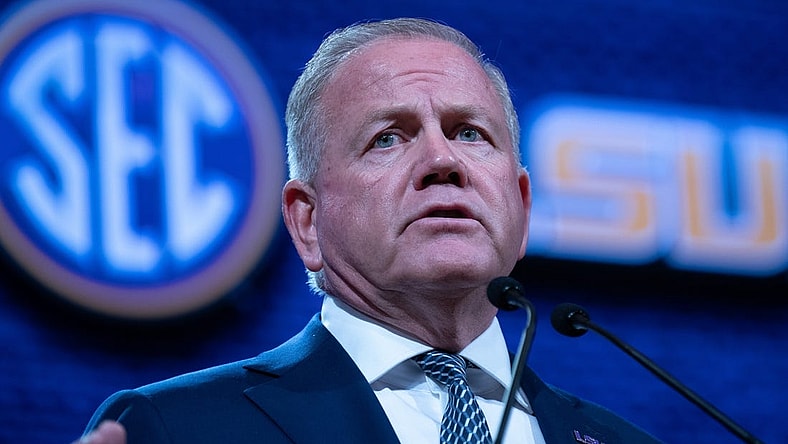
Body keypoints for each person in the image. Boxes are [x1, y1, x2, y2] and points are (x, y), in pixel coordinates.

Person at [78, 17, 662, 444]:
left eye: (469, 133)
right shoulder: (180, 430)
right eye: (388, 137)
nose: (443, 160)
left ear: (522, 205)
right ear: (308, 222)